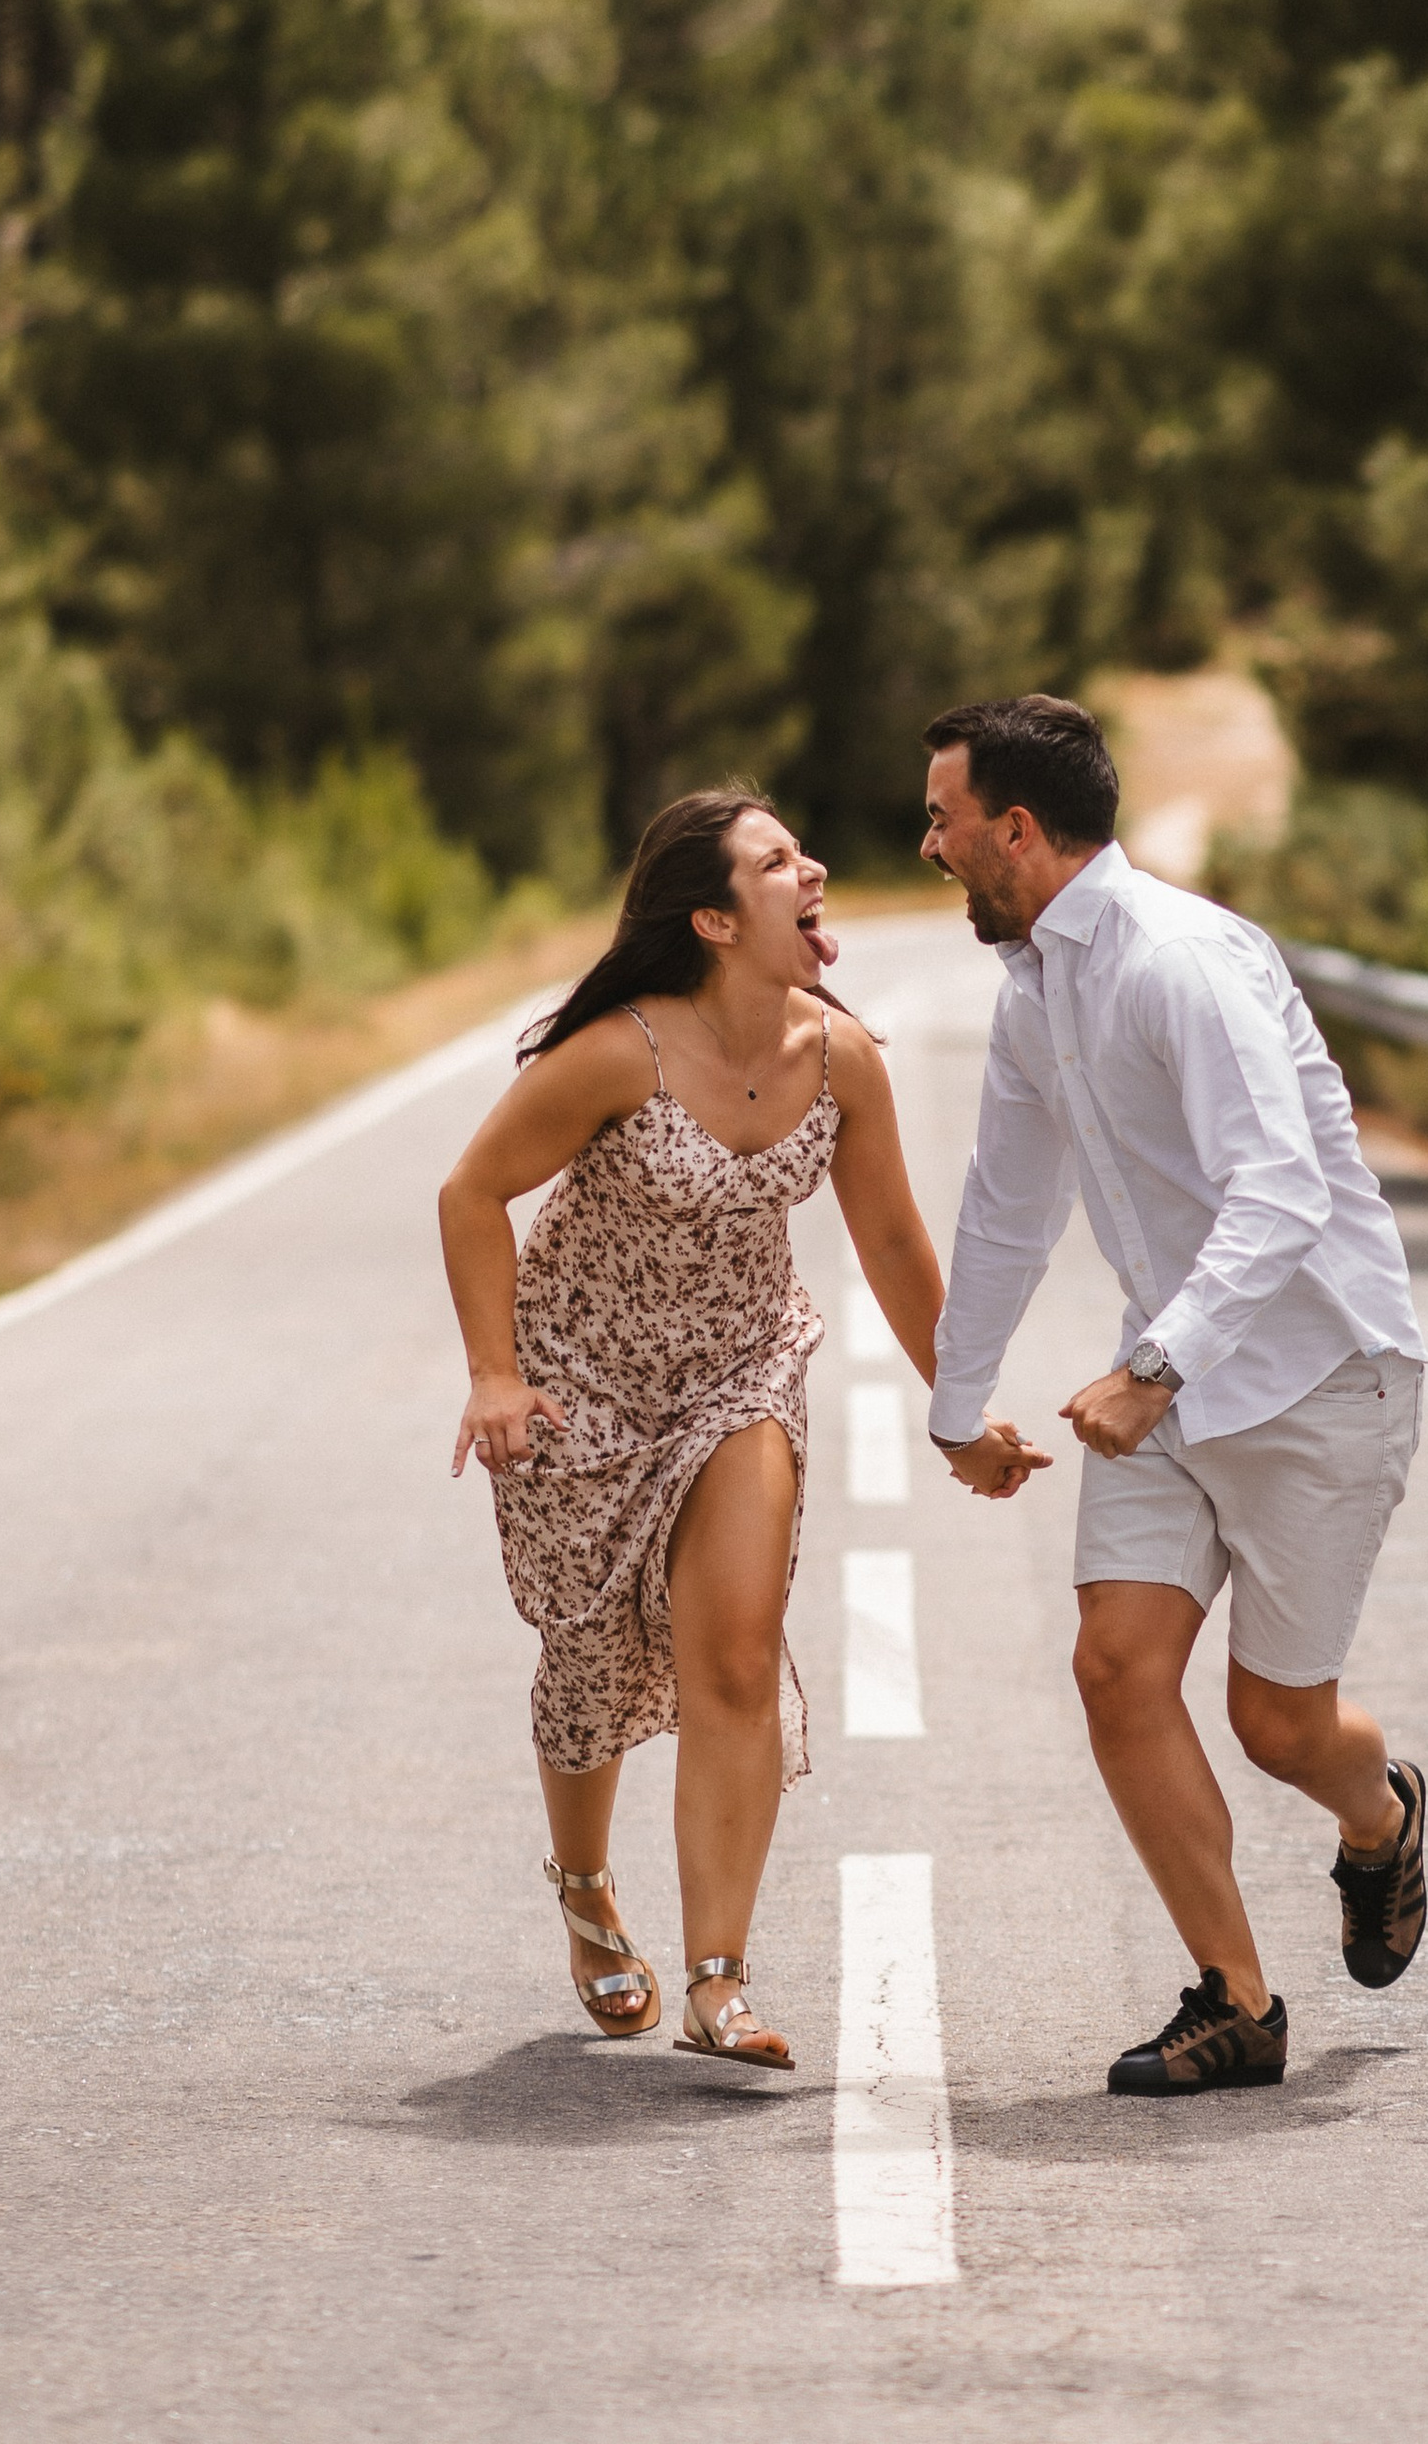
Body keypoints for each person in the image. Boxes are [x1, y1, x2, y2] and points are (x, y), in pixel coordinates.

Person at [919, 693, 1428, 2099]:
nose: (929, 846)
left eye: (944, 823)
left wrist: (1152, 1369)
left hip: (1321, 1375)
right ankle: (1238, 2003)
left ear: (1015, 831)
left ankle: (1378, 1825)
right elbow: (1006, 1207)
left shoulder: (1179, 962)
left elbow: (1283, 1190)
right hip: (1176, 1377)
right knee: (1114, 1671)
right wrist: (958, 1408)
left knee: (1280, 1729)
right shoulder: (1039, 987)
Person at [439, 787, 941, 2070]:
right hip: (583, 1384)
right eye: (780, 863)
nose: (814, 870)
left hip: (739, 1372)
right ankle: (585, 1886)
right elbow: (473, 1190)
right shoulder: (621, 1052)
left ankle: (720, 1980)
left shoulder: (844, 1059)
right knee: (591, 1660)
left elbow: (888, 1241)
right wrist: (495, 1377)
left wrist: (958, 1406)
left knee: (735, 1650)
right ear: (715, 920)